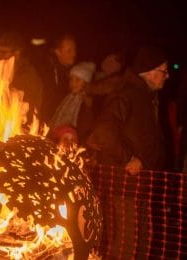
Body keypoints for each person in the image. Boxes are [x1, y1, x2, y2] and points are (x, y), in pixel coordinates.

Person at [87, 45, 169, 259]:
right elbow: (103, 130)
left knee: (143, 239)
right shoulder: (127, 94)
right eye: (164, 70)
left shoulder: (146, 95)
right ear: (149, 71)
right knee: (126, 242)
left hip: (142, 183)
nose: (167, 76)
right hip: (124, 183)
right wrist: (128, 158)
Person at [0, 31, 43, 124]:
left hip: (18, 130)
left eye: (4, 52)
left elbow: (28, 109)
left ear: (17, 53)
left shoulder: (27, 76)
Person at [49, 62, 95, 148]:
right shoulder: (68, 97)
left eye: (77, 80)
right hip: (57, 139)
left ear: (86, 82)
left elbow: (85, 128)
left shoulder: (86, 103)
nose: (73, 83)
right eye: (71, 79)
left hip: (72, 144)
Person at [39, 34, 77, 124]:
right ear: (58, 52)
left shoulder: (69, 70)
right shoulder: (50, 71)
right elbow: (50, 101)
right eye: (69, 51)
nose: (74, 54)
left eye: (75, 49)